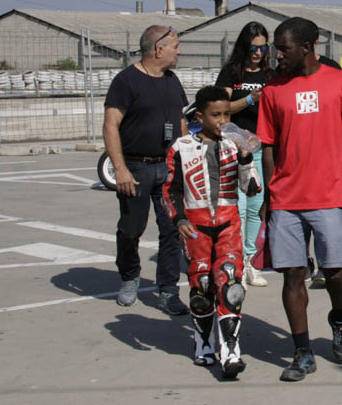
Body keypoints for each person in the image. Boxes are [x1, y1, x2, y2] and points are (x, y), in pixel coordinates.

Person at [256, 17, 342, 382]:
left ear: (307, 47)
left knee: (334, 271)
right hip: (286, 200)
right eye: (276, 48)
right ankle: (302, 352)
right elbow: (268, 146)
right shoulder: (272, 91)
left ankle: (339, 318)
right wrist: (269, 194)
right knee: (292, 276)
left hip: (328, 196)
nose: (277, 55)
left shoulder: (340, 83)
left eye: (284, 48)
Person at [162, 86, 260, 377]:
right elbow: (169, 189)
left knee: (230, 286)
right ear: (200, 116)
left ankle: (231, 352)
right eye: (215, 115)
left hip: (228, 222)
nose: (222, 121)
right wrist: (179, 219)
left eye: (227, 114)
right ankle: (203, 344)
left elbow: (252, 189)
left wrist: (246, 158)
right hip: (195, 226)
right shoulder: (180, 147)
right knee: (202, 286)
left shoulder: (235, 144)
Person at [103, 25, 189, 314]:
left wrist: (186, 162)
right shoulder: (126, 81)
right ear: (158, 49)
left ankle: (168, 290)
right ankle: (129, 277)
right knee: (131, 229)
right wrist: (120, 169)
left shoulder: (172, 80)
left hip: (169, 168)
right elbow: (111, 124)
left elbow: (181, 123)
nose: (179, 52)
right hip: (136, 168)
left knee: (172, 230)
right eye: (175, 47)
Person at [216, 21, 272, 287]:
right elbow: (222, 108)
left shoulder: (270, 74)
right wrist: (250, 99)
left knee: (255, 206)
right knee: (235, 208)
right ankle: (233, 261)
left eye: (263, 47)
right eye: (253, 48)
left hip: (259, 148)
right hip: (233, 149)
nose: (258, 53)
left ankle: (250, 260)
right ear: (243, 47)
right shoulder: (231, 73)